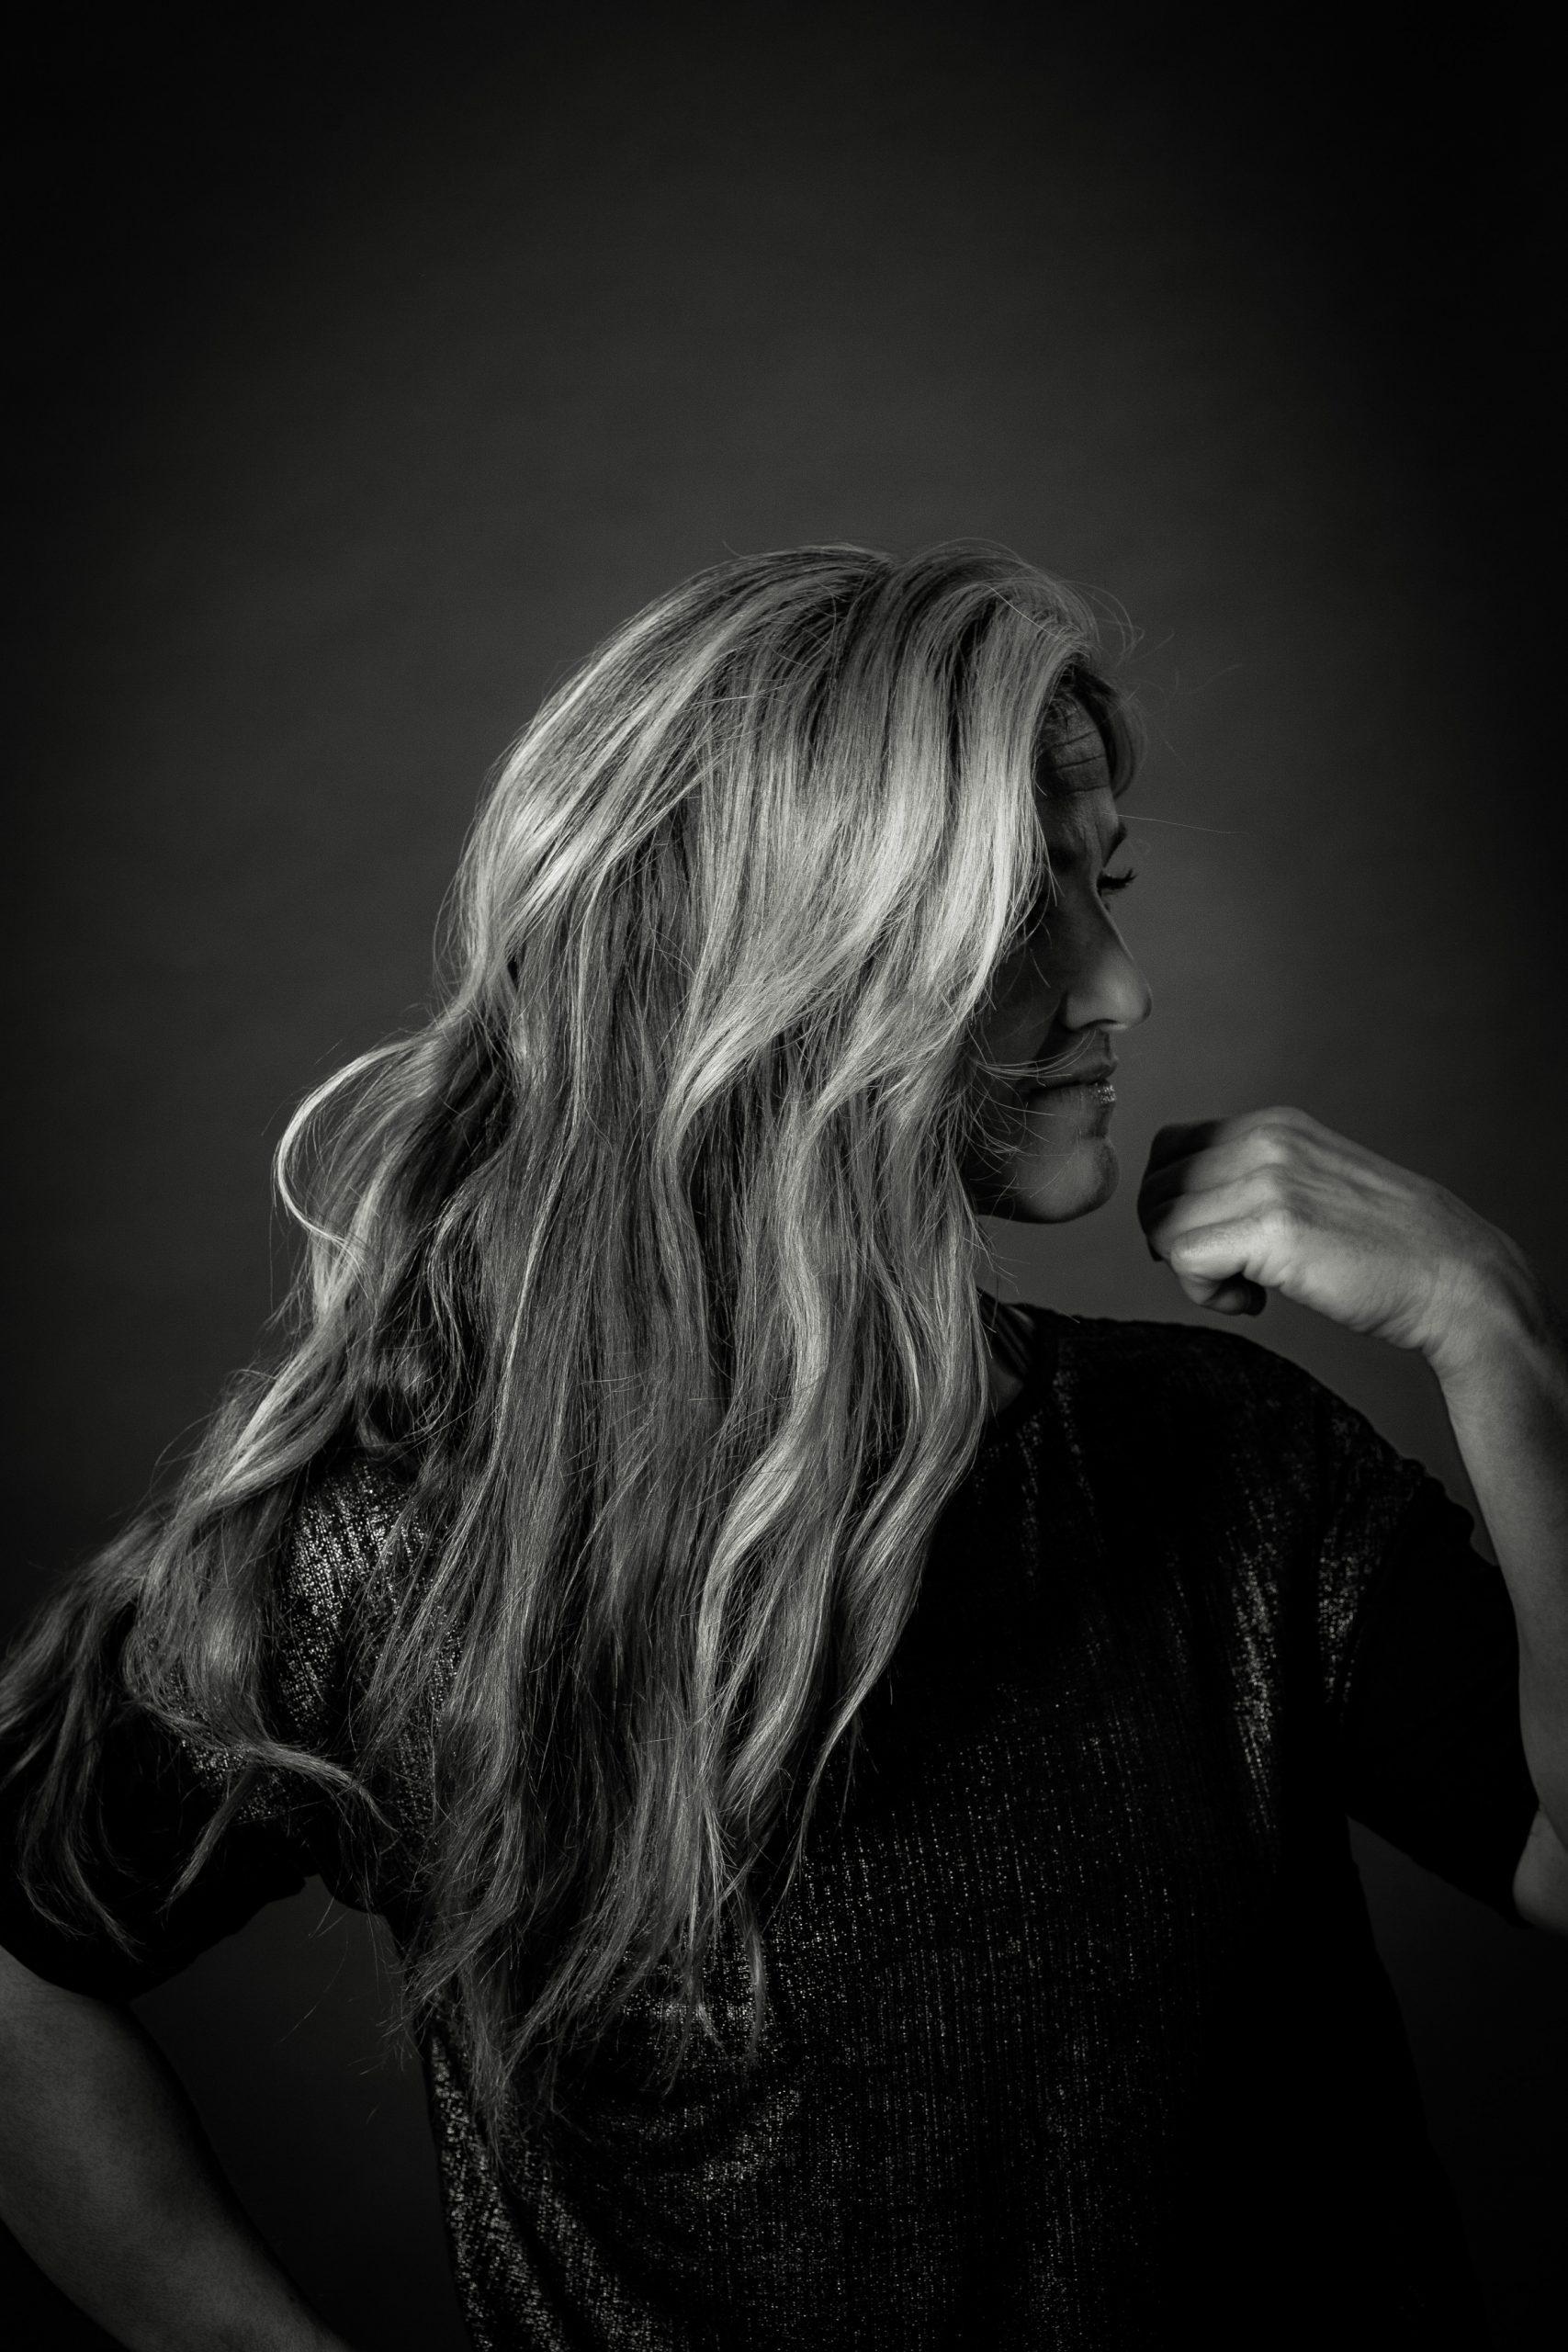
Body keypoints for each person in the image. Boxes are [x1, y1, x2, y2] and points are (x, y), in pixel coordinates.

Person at [0, 542, 1563, 2352]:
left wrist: (1488, 1328)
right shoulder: (411, 1554)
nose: (1120, 990)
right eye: (1022, 914)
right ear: (798, 968)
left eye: (1104, 888)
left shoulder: (1219, 1460)